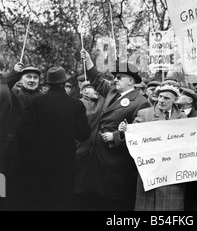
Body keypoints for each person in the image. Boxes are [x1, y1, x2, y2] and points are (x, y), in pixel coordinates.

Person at [118, 84, 197, 211]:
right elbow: (133, 138)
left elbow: (190, 141)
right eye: (160, 97)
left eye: (167, 98)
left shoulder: (182, 118)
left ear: (175, 100)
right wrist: (123, 132)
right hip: (150, 173)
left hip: (172, 175)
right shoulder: (144, 114)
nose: (162, 100)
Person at [81, 49, 151, 211]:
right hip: (99, 156)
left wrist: (116, 136)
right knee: (97, 198)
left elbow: (141, 134)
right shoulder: (113, 92)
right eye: (115, 77)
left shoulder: (141, 102)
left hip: (117, 161)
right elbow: (97, 79)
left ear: (131, 81)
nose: (116, 79)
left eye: (120, 77)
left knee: (113, 201)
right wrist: (89, 61)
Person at [16, 66, 91, 211]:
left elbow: (23, 134)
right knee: (62, 202)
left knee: (40, 201)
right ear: (64, 83)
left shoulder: (35, 102)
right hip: (65, 164)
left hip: (38, 164)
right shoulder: (76, 104)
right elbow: (84, 134)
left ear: (47, 83)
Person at [73, 80, 105, 210]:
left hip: (96, 154)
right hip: (79, 152)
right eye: (93, 88)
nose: (97, 91)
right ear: (84, 91)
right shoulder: (77, 104)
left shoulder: (101, 101)